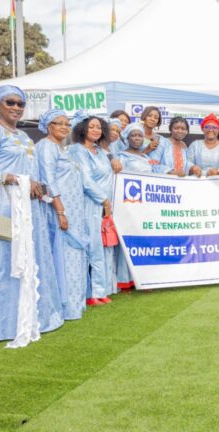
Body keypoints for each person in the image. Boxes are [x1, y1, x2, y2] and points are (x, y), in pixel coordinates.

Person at [0, 85, 64, 344]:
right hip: (3, 203)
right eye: (10, 102)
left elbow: (30, 169)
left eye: (20, 104)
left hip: (29, 205)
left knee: (32, 256)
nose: (16, 107)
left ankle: (37, 317)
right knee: (1, 260)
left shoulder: (23, 136)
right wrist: (15, 179)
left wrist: (34, 183)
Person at [37, 109, 94, 317]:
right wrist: (60, 211)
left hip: (74, 210)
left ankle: (75, 303)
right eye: (58, 123)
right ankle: (64, 305)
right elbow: (48, 180)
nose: (64, 127)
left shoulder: (63, 149)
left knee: (75, 255)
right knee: (63, 253)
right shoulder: (46, 147)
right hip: (59, 210)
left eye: (67, 123)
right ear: (47, 126)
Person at [69, 114, 118, 306]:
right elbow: (86, 180)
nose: (96, 130)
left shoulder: (100, 151)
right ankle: (89, 293)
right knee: (91, 247)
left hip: (102, 205)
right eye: (92, 127)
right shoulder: (78, 150)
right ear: (82, 129)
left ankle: (99, 290)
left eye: (99, 127)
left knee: (99, 248)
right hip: (89, 203)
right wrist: (104, 200)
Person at [115, 123, 154, 290]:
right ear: (127, 138)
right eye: (133, 135)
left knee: (144, 238)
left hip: (146, 205)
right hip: (129, 204)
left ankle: (143, 276)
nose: (137, 138)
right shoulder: (121, 157)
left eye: (140, 135)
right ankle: (126, 279)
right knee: (129, 237)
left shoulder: (146, 158)